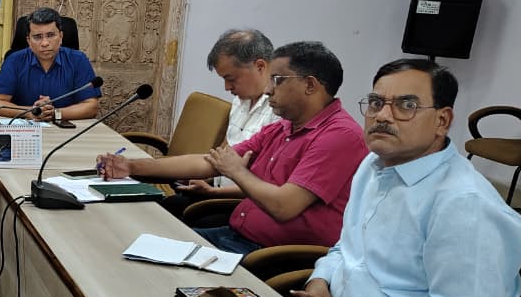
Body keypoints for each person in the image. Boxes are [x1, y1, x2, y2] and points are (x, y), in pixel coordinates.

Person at [292, 59, 521, 297]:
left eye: (407, 105)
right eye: (376, 103)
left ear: (442, 121)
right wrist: (319, 281)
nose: (382, 115)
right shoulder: (374, 164)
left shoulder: (463, 205)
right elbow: (349, 247)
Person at [98, 41, 367, 254]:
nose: (268, 90)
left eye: (277, 80)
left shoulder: (339, 136)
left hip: (271, 253)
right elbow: (208, 162)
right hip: (237, 235)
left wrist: (237, 172)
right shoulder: (284, 127)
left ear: (310, 85)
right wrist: (131, 167)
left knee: (144, 258)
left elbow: (284, 206)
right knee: (131, 244)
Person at [163, 28, 282, 220]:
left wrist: (212, 192)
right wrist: (204, 178)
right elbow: (225, 154)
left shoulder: (280, 112)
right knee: (163, 205)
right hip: (216, 189)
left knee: (178, 216)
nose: (227, 87)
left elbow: (268, 184)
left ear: (260, 66)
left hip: (243, 204)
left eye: (230, 79)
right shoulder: (240, 101)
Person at [0, 7, 100, 122]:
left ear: (61, 36)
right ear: (28, 41)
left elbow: (91, 106)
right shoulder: (14, 61)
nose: (45, 43)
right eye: (37, 37)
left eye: (50, 35)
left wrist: (54, 113)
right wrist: (30, 112)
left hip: (68, 129)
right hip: (25, 129)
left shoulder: (78, 60)